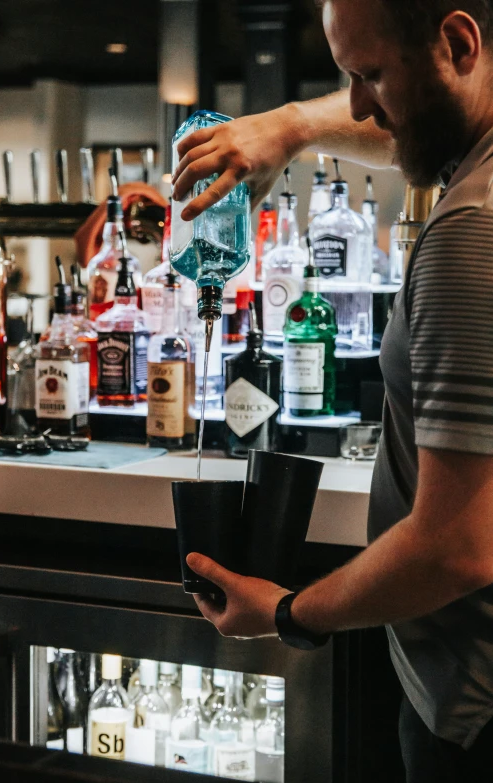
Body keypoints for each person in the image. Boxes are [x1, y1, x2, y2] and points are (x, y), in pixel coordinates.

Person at [172, 1, 493, 781]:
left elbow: (457, 545)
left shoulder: (470, 228)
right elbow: (410, 122)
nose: (357, 105)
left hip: (476, 714)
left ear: (456, 43)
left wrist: (286, 612)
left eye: (370, 74)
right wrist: (290, 126)